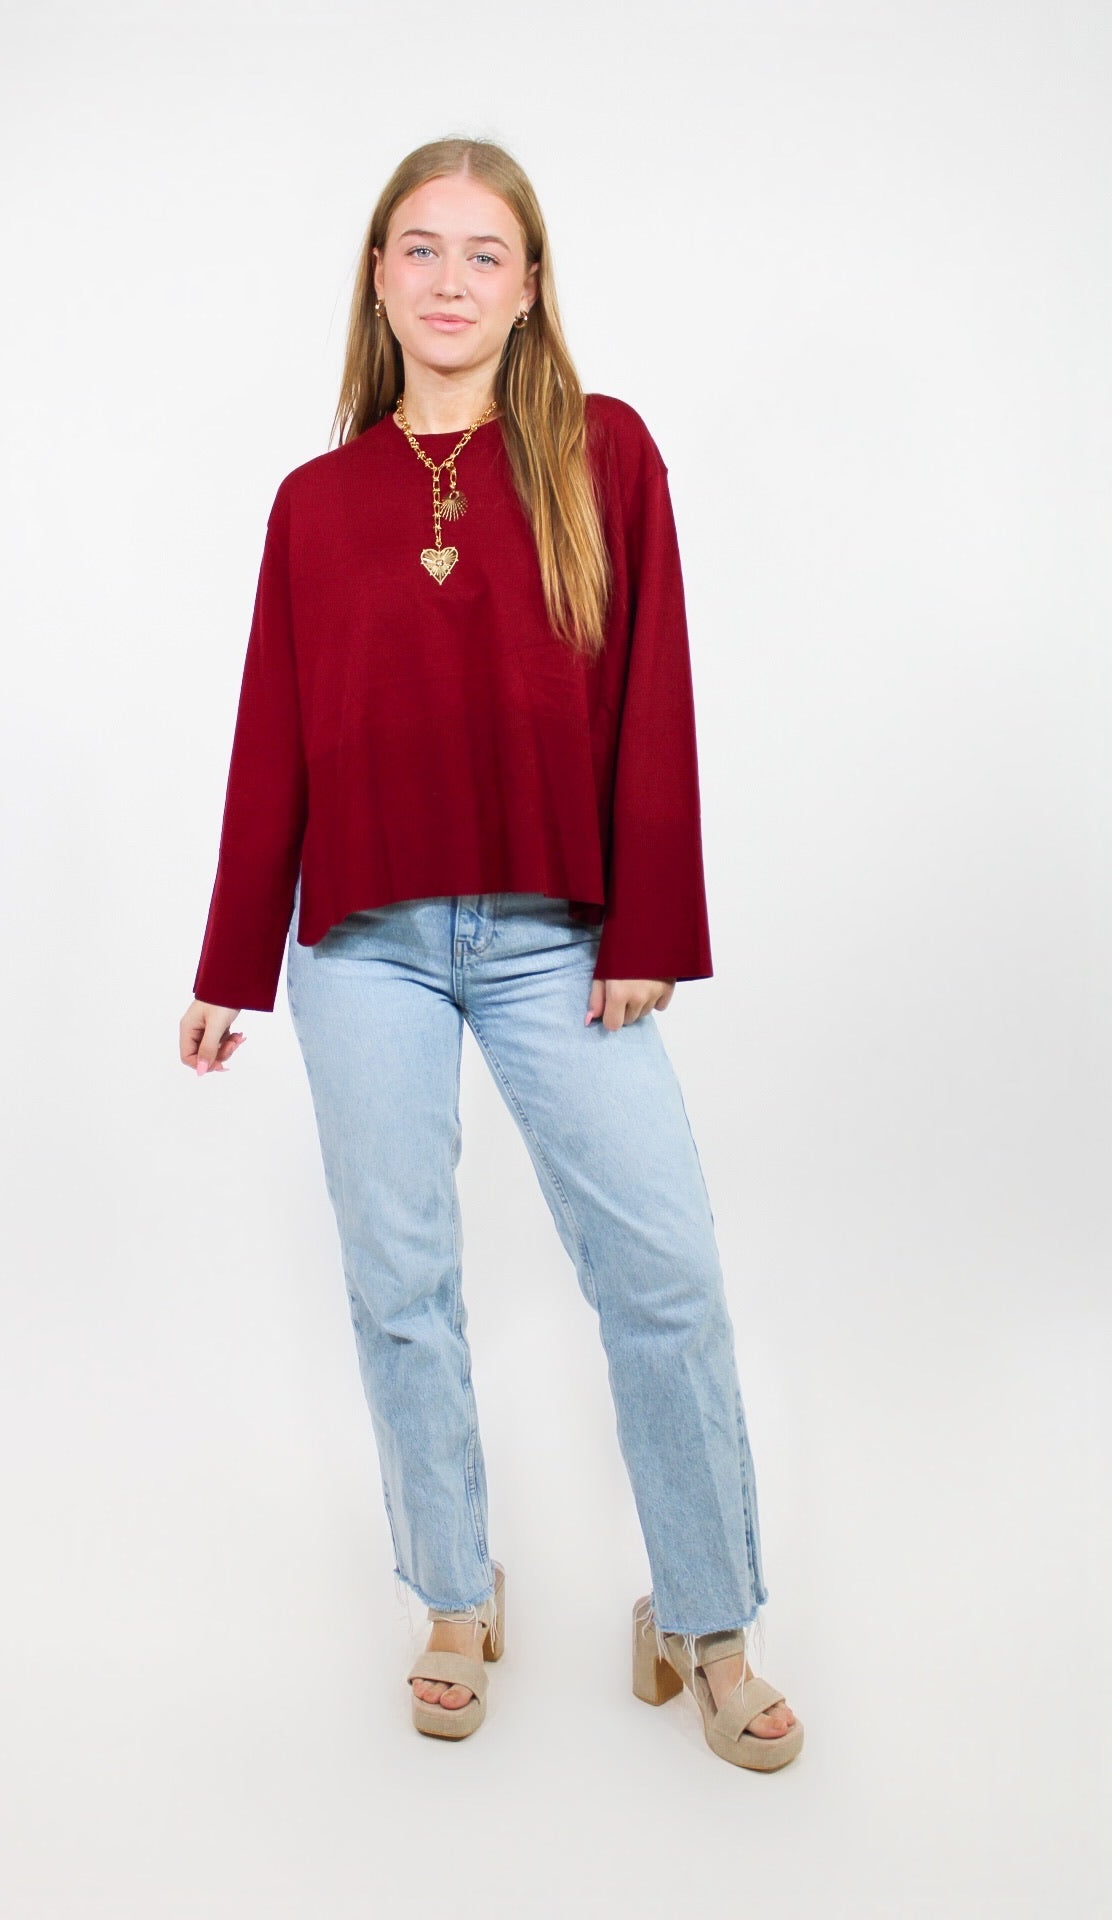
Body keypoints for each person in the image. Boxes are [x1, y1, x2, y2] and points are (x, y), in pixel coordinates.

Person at [179, 136, 802, 1771]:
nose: (449, 280)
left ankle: (706, 1617)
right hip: (363, 945)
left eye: (483, 254)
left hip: (557, 940)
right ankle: (455, 1597)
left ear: (529, 288)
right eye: (420, 248)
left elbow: (655, 690)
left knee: (664, 1275)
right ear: (378, 278)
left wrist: (648, 927)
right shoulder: (315, 504)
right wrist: (232, 963)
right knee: (403, 1283)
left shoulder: (605, 450)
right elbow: (273, 744)